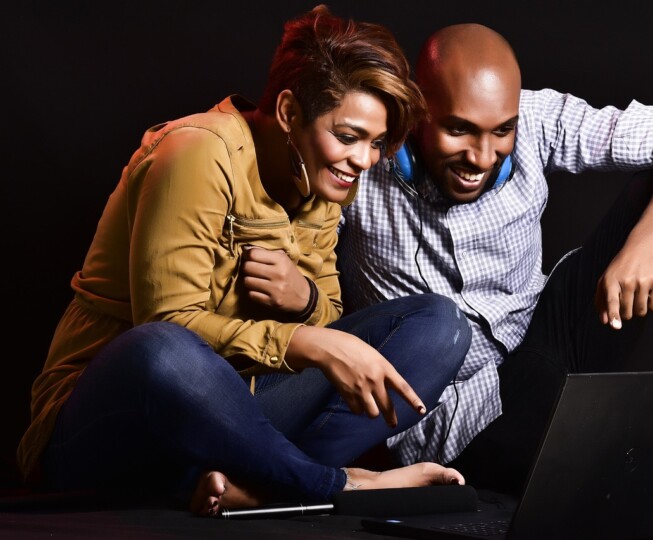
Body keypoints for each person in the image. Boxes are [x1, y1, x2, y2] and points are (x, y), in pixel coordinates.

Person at [17, 6, 472, 517]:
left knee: (439, 326)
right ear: (288, 112)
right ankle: (332, 484)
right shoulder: (197, 153)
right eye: (348, 137)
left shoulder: (326, 181)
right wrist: (302, 340)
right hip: (110, 425)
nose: (364, 161)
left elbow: (329, 326)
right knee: (161, 348)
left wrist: (305, 304)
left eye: (375, 143)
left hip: (239, 421)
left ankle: (254, 486)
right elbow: (168, 327)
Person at [336, 23, 653, 515]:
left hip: (548, 345)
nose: (481, 156)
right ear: (416, 109)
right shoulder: (365, 158)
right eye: (458, 130)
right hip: (462, 421)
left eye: (501, 131)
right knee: (608, 478)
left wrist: (649, 239)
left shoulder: (537, 119)